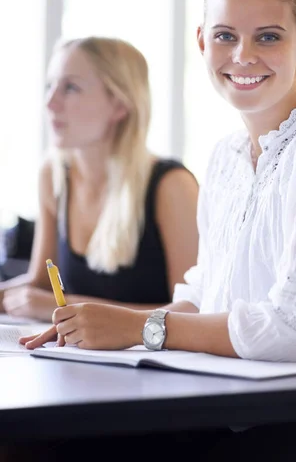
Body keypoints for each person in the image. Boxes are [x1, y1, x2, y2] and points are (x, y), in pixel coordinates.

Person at [22, 0, 296, 460]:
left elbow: (295, 326)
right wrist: (100, 324)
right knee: (61, 444)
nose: (242, 55)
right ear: (202, 41)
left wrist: (139, 327)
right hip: (245, 403)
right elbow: (205, 294)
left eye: (268, 36)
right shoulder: (225, 156)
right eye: (225, 36)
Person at [0, 36, 199, 322]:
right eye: (50, 86)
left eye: (70, 87)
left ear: (119, 105)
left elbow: (194, 310)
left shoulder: (171, 185)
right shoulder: (54, 176)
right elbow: (41, 284)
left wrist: (64, 307)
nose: (50, 102)